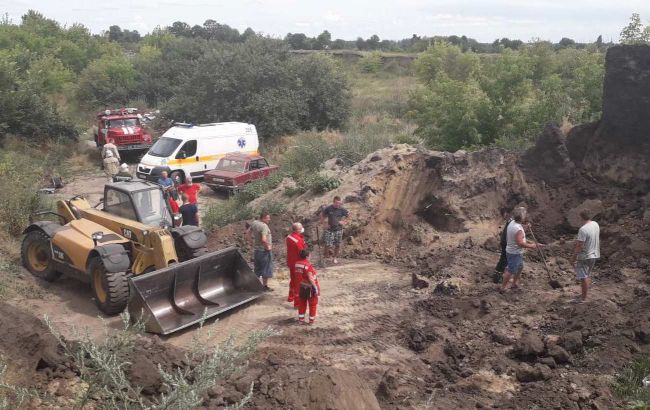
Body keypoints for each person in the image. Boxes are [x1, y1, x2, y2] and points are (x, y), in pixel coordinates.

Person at [500, 207, 539, 292]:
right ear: (522, 217)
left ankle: (514, 283)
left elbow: (519, 232)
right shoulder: (518, 229)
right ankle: (503, 287)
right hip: (515, 253)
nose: (526, 216)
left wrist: (525, 227)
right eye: (525, 215)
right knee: (511, 270)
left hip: (512, 251)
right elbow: (520, 243)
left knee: (520, 267)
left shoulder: (512, 222)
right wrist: (531, 246)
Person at [571, 209, 600, 302]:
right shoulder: (595, 224)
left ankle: (583, 299)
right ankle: (584, 295)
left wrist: (573, 258)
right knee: (587, 275)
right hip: (594, 254)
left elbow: (579, 246)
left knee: (583, 278)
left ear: (581, 217)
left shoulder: (583, 229)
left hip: (585, 256)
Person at [247, 212, 274, 291]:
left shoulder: (255, 223)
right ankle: (264, 286)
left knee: (257, 269)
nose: (269, 219)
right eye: (268, 218)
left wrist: (250, 242)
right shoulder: (264, 226)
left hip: (257, 250)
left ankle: (254, 286)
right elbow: (264, 239)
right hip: (264, 251)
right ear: (264, 218)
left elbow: (248, 233)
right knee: (266, 268)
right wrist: (267, 247)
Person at [320, 196, 349, 264]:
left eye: (339, 203)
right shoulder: (328, 208)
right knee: (327, 244)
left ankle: (335, 258)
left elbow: (348, 216)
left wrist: (344, 222)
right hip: (330, 229)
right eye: (336, 203)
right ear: (333, 202)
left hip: (339, 229)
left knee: (337, 244)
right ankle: (326, 257)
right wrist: (324, 224)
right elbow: (322, 215)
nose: (338, 205)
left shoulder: (342, 209)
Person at [295, 249, 320, 325]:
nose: (310, 257)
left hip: (301, 287)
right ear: (306, 256)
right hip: (310, 288)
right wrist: (315, 287)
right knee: (313, 304)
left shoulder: (297, 264)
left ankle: (301, 320)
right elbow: (310, 277)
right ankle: (311, 321)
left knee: (302, 303)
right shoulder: (308, 265)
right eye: (310, 256)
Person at [286, 222, 306, 307]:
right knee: (299, 283)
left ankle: (291, 297)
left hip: (291, 262)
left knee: (293, 280)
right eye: (301, 228)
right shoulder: (298, 240)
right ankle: (297, 303)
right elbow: (302, 253)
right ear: (297, 230)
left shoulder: (289, 237)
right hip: (298, 263)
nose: (302, 229)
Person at [493, 215, 513, 283]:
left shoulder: (511, 220)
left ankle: (497, 274)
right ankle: (498, 277)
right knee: (504, 259)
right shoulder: (513, 222)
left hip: (504, 241)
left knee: (503, 259)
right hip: (507, 242)